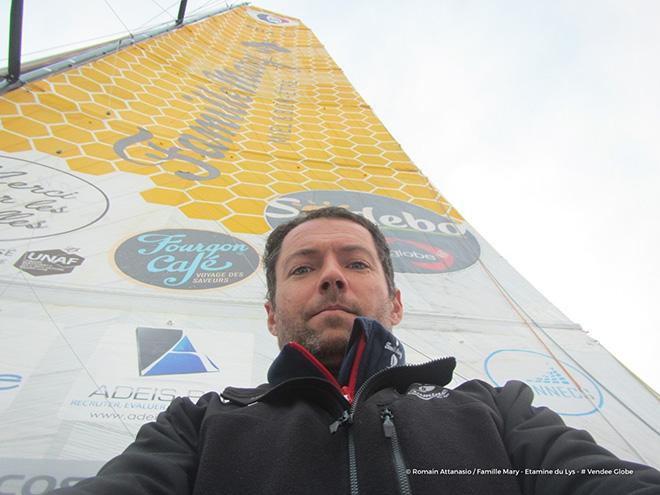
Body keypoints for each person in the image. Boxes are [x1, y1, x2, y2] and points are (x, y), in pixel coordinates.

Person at [53, 206, 660, 494]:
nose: (332, 277)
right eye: (303, 268)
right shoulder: (198, 423)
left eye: (355, 262)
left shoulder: (498, 410)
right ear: (271, 315)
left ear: (395, 303)